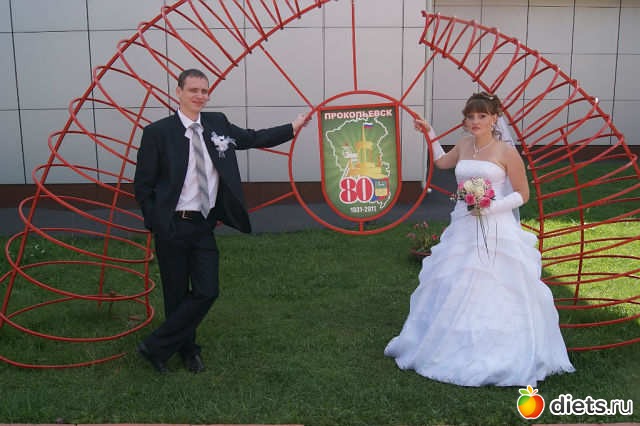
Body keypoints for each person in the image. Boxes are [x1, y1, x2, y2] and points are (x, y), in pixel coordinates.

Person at [384, 92, 575, 387]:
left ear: (494, 119)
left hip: (495, 226)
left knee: (495, 284)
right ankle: (448, 342)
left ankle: (499, 347)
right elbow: (442, 162)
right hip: (463, 225)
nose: (475, 121)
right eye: (470, 116)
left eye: (482, 116)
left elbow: (522, 194)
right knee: (454, 279)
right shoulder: (463, 145)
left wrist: (490, 207)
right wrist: (429, 132)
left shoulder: (506, 152)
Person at [134, 68, 309, 373]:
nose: (200, 96)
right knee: (175, 294)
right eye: (193, 90)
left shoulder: (217, 124)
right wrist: (157, 223)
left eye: (204, 91)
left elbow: (253, 138)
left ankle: (155, 346)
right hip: (172, 225)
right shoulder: (157, 133)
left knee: (207, 290)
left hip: (203, 224)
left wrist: (293, 127)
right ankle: (187, 351)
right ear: (178, 92)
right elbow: (143, 185)